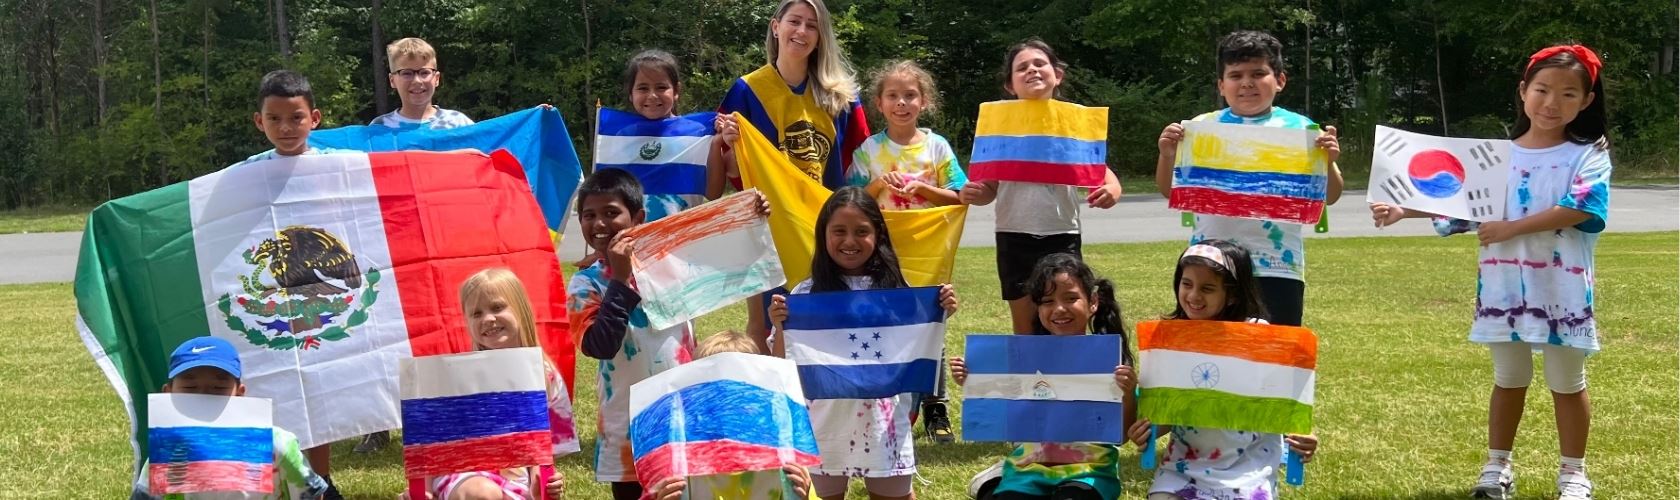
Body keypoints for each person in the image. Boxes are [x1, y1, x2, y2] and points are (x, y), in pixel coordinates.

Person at [1369, 44, 1610, 500]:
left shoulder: (1588, 154)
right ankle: (1497, 467)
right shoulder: (1497, 155)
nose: (1551, 103)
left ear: (1587, 101)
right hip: (1503, 287)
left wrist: (1509, 228)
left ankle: (1574, 474)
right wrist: (1403, 209)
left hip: (1563, 289)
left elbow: (1580, 208)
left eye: (1568, 94)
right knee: (1509, 378)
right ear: (1523, 92)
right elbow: (1456, 197)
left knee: (1566, 381)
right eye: (1541, 90)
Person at [767, 186, 959, 500]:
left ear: (878, 235)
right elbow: (781, 365)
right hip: (823, 425)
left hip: (883, 422)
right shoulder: (806, 293)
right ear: (823, 234)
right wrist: (779, 325)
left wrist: (940, 313)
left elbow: (917, 344)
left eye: (862, 231)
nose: (850, 241)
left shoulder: (898, 290)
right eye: (839, 231)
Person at [1151, 30, 1345, 328]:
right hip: (1211, 264)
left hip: (1278, 266)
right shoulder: (1203, 127)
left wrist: (1329, 164)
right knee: (1215, 354)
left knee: (1273, 354)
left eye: (1258, 73)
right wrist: (1166, 155)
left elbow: (1329, 196)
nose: (1246, 83)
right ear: (1221, 84)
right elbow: (1170, 190)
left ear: (1279, 80)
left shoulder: (1302, 129)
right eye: (1235, 75)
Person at [714, 0, 871, 352]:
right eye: (794, 22)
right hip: (771, 230)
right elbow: (732, 173)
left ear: (821, 36)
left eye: (811, 25)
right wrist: (729, 143)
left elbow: (859, 168)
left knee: (830, 329)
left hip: (828, 229)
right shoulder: (747, 90)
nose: (801, 31)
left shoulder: (841, 96)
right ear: (776, 27)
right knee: (770, 329)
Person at [1126, 241, 1319, 500]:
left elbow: (1286, 406)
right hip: (1182, 468)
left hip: (1248, 469)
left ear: (1234, 295)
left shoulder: (1260, 337)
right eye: (1187, 284)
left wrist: (1304, 437)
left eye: (1207, 288)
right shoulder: (1171, 341)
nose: (1194, 296)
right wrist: (1147, 433)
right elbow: (1165, 416)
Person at [959, 39, 1124, 335]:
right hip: (1014, 236)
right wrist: (974, 193)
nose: (1032, 70)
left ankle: (1072, 378)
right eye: (1022, 67)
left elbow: (1102, 174)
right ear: (1010, 85)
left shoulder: (1072, 123)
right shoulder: (1001, 126)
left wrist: (1112, 190)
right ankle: (1028, 380)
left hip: (1062, 235)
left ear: (1057, 75)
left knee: (1070, 322)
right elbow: (988, 189)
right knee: (1025, 326)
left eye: (1039, 64)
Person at [846, 59, 964, 443]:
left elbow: (961, 195)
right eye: (893, 96)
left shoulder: (937, 147)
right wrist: (880, 183)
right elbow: (851, 199)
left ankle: (936, 408)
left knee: (931, 328)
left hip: (928, 254)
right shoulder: (868, 150)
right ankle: (889, 402)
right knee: (886, 327)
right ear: (879, 104)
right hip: (880, 253)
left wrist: (925, 190)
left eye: (910, 95)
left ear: (924, 101)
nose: (902, 103)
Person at [953, 253, 1134, 500]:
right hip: (1028, 467)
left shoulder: (1108, 361)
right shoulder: (1023, 360)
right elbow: (1002, 411)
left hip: (1089, 471)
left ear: (1092, 302)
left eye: (1071, 298)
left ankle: (993, 481)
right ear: (1037, 308)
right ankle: (996, 480)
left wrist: (1127, 393)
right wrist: (974, 382)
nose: (1059, 309)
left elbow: (1121, 436)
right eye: (1047, 301)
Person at [568, 169, 697, 500]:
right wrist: (619, 279)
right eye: (589, 215)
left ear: (637, 218)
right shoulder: (585, 284)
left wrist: (752, 216)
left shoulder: (672, 266)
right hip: (626, 427)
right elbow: (600, 345)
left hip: (682, 419)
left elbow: (722, 249)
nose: (599, 224)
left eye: (611, 213)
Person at [414, 268, 574, 500]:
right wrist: (424, 489)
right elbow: (431, 440)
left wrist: (545, 481)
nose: (488, 319)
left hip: (518, 480)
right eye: (476, 313)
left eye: (497, 308)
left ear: (521, 310)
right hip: (463, 476)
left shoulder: (545, 375)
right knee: (484, 494)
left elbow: (544, 448)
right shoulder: (457, 377)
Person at [130, 336, 329, 500]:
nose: (205, 397)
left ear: (240, 393)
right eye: (190, 388)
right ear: (168, 394)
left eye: (218, 388)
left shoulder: (277, 444)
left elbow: (311, 494)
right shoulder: (166, 454)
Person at [645, 330, 816, 500]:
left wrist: (805, 495)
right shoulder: (677, 459)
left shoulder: (783, 454)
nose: (725, 401)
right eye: (712, 390)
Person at [616, 49, 729, 221]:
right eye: (643, 88)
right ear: (631, 94)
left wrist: (715, 144)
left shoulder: (696, 135)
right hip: (634, 241)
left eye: (661, 87)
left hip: (684, 237)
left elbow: (713, 193)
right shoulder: (621, 137)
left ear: (676, 91)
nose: (652, 95)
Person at [238, 70, 352, 167]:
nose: (285, 128)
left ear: (314, 118)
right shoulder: (248, 171)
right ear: (260, 121)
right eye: (274, 118)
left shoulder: (343, 164)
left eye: (296, 117)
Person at [369, 37, 474, 129]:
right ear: (392, 81)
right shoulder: (380, 128)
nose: (417, 81)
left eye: (424, 72)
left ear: (436, 78)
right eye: (407, 73)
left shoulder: (458, 123)